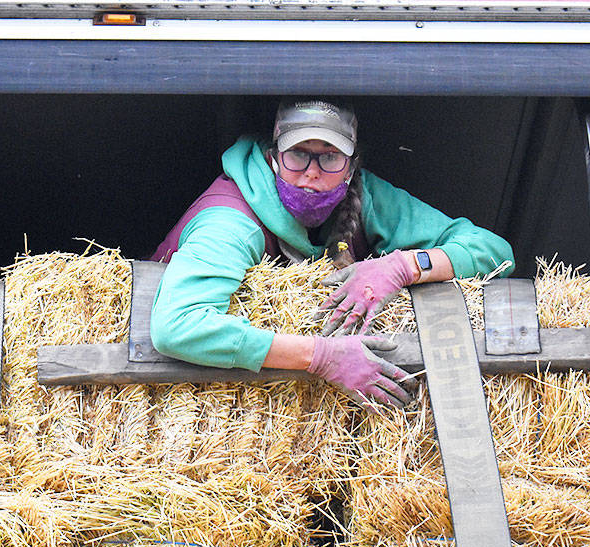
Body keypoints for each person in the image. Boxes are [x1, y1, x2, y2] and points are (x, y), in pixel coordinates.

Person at [149, 99, 514, 410]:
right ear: (273, 156)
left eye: (329, 158)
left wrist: (404, 266)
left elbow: (495, 252)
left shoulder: (363, 195)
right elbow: (177, 327)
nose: (311, 173)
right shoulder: (230, 223)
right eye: (298, 155)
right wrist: (321, 357)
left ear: (352, 165)